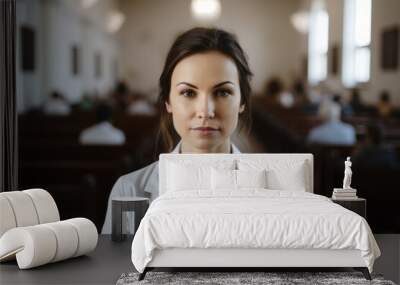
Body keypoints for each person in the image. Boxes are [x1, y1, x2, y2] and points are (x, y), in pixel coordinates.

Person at [101, 27, 253, 234]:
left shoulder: (276, 189)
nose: (205, 111)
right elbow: (117, 266)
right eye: (188, 92)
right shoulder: (130, 190)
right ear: (168, 101)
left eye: (222, 92)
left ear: (242, 101)